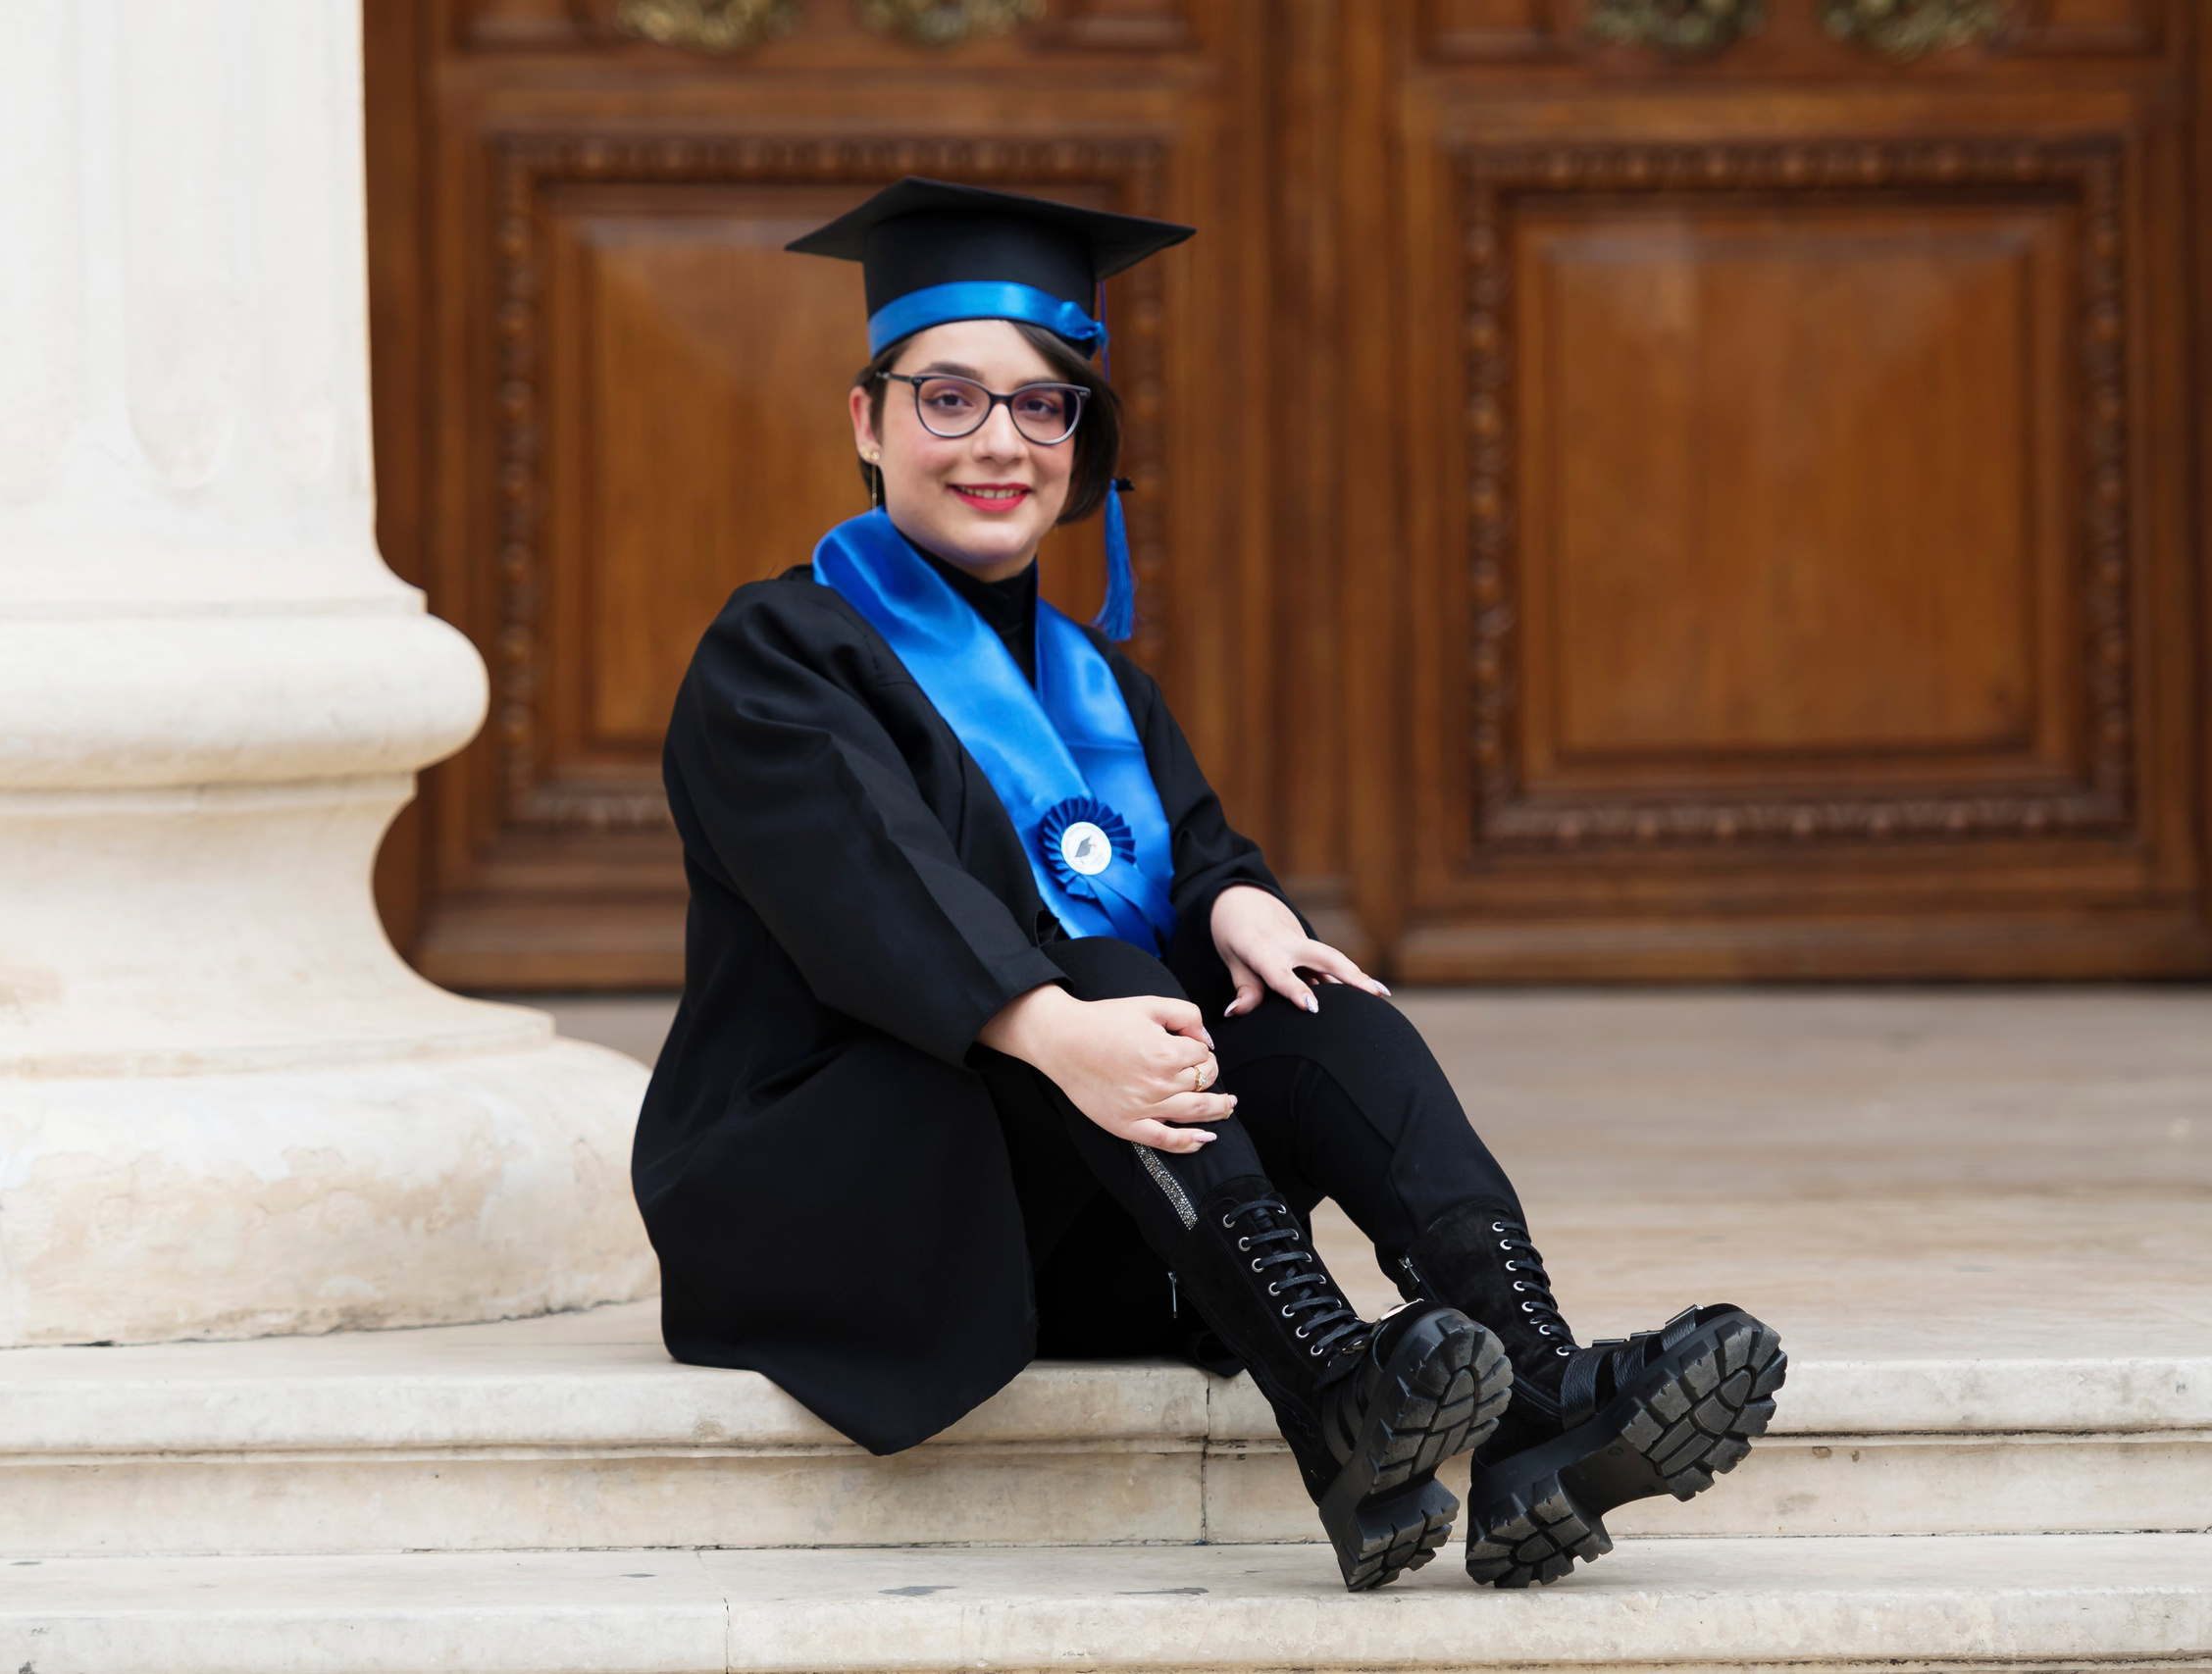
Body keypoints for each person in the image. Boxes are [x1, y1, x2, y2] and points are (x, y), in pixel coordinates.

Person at [631, 178, 1785, 1591]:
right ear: (865, 424)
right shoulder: (780, 652)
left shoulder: (1097, 680)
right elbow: (877, 884)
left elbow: (1178, 854)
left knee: (1318, 1003)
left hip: (1089, 1202)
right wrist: (1060, 1026)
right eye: (949, 398)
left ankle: (1544, 1398)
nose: (998, 441)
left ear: (1080, 443)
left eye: (1042, 405)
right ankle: (1336, 1393)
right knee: (1107, 984)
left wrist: (1243, 904)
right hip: (838, 1205)